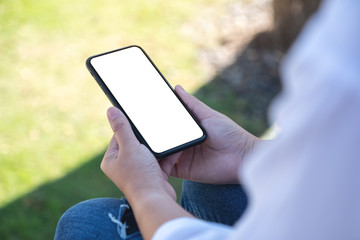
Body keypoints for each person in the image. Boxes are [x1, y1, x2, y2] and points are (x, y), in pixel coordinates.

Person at [55, 0, 360, 239]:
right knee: (207, 186)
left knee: (84, 222)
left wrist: (146, 192)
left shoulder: (343, 59)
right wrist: (248, 152)